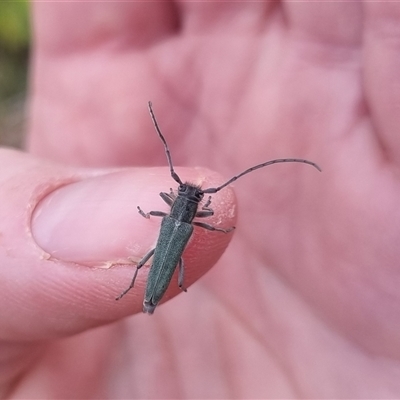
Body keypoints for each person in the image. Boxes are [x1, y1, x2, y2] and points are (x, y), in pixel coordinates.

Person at [2, 2, 399, 398]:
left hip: (168, 257)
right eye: (186, 195)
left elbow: (183, 211)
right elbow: (192, 217)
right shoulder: (191, 218)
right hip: (155, 284)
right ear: (184, 202)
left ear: (183, 202)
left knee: (160, 260)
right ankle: (140, 294)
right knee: (159, 262)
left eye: (189, 196)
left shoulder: (179, 216)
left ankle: (141, 294)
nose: (188, 194)